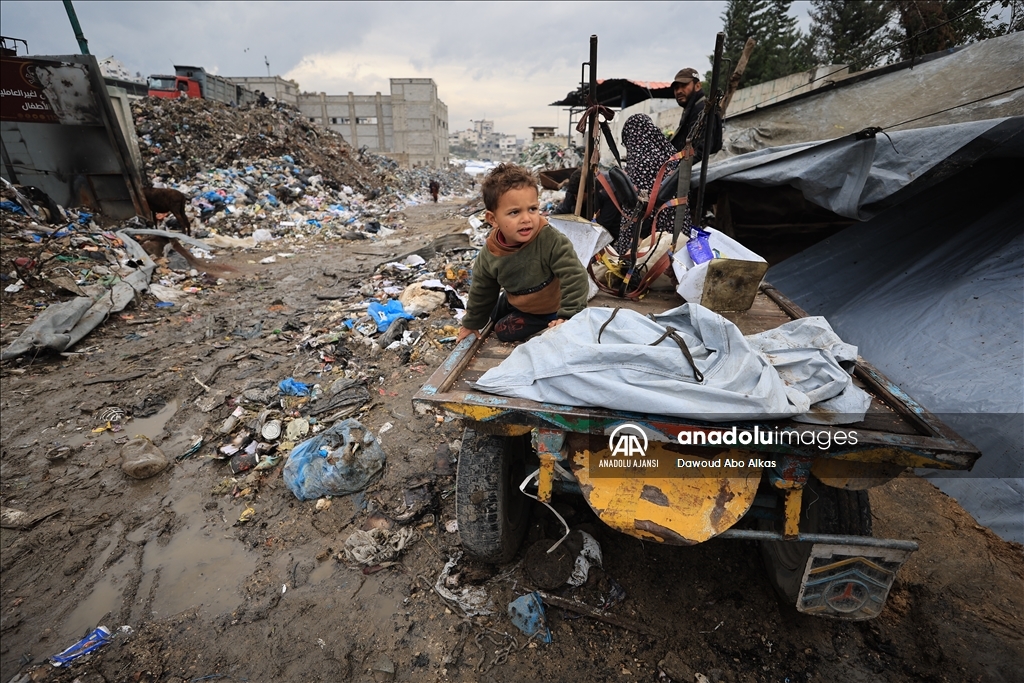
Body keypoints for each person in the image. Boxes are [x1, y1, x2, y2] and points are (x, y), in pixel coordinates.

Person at [457, 164, 589, 343]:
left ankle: (546, 322)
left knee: (503, 331)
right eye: (514, 212)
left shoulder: (550, 240)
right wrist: (471, 324)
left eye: (532, 209)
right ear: (493, 219)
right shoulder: (491, 252)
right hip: (517, 298)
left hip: (548, 308)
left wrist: (568, 315)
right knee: (492, 312)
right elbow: (482, 291)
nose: (526, 219)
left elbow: (574, 276)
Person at [615, 113, 680, 254]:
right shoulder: (669, 153)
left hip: (648, 233)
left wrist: (638, 237)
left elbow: (644, 203)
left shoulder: (639, 160)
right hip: (674, 228)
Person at [668, 68, 722, 161]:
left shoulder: (703, 110)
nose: (679, 91)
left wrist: (674, 170)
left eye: (684, 86)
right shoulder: (691, 109)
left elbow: (700, 153)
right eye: (676, 88)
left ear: (697, 86)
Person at [554, 167, 621, 240]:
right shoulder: (574, 190)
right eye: (575, 195)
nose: (576, 198)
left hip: (610, 226)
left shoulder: (609, 192)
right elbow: (562, 210)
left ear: (591, 190)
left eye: (578, 195)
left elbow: (603, 225)